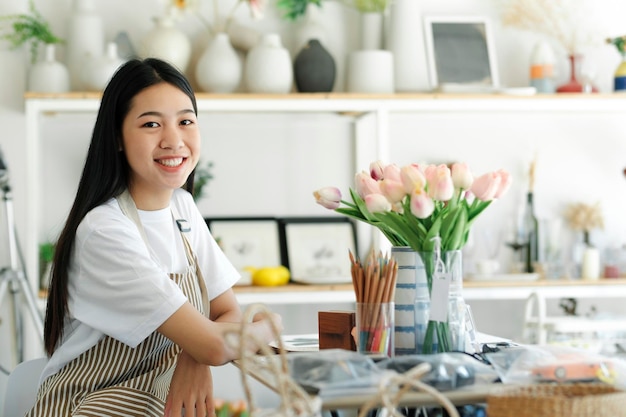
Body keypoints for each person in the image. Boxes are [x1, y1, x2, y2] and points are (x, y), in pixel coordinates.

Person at [27, 58, 281, 417]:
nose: (173, 140)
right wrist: (270, 325)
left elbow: (225, 312)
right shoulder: (104, 231)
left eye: (185, 121)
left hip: (154, 407)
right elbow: (215, 340)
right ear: (117, 136)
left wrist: (195, 357)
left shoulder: (183, 209)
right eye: (151, 124)